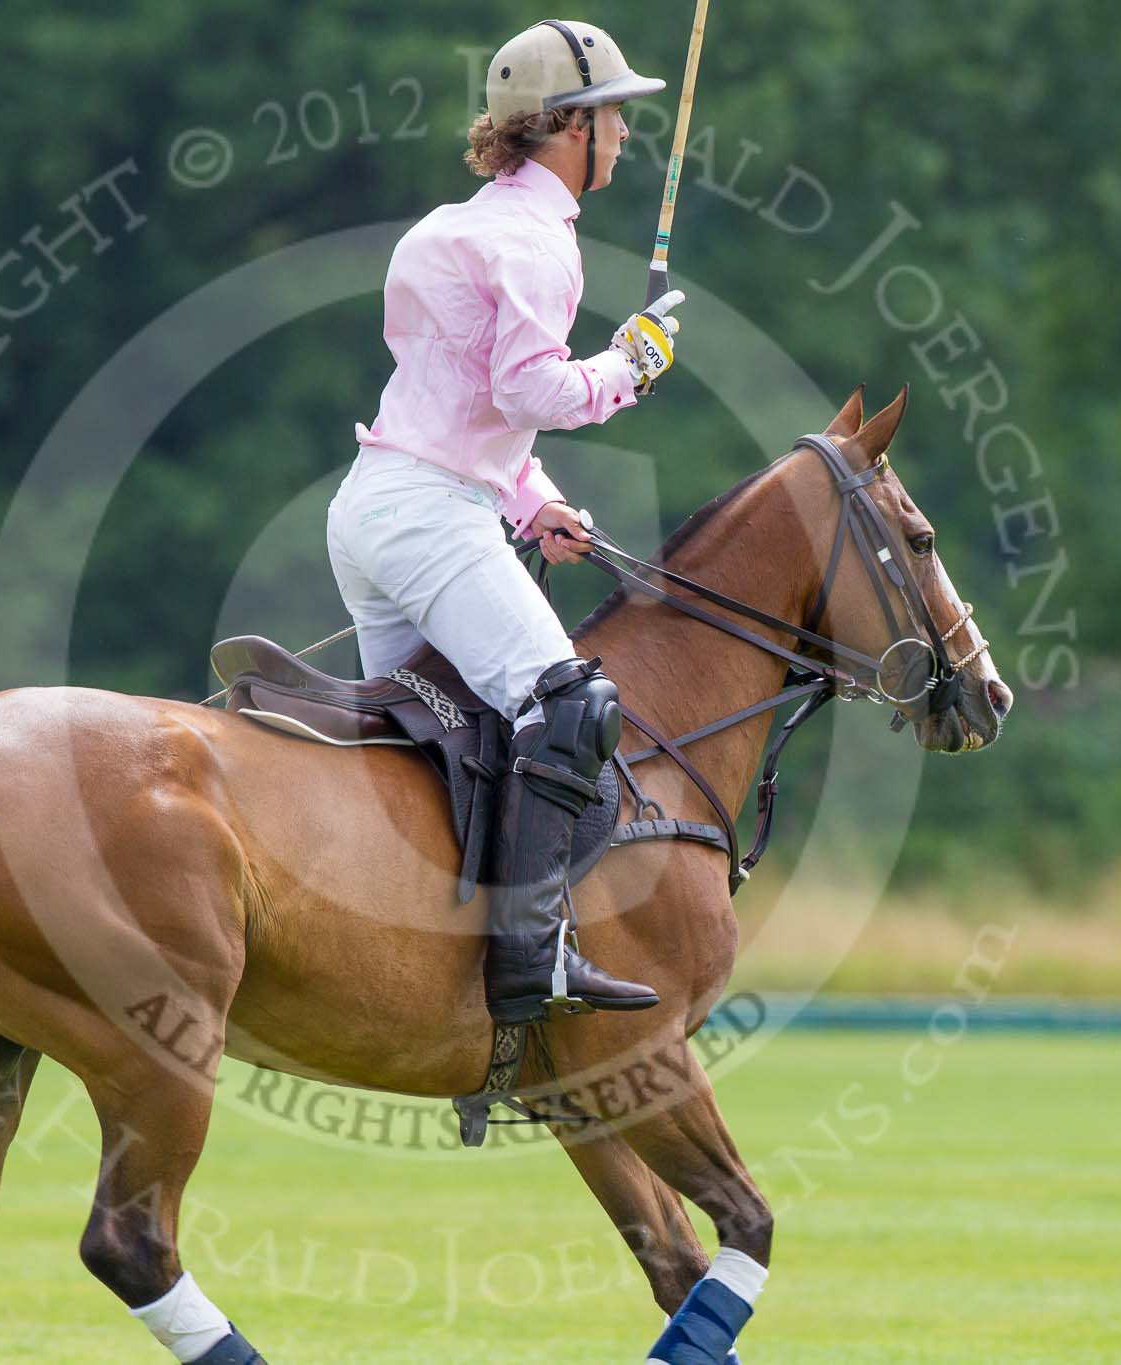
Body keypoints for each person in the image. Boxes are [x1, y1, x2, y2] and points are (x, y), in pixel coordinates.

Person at [326, 20, 685, 1025]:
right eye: (614, 115)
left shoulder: (458, 224)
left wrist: (533, 503)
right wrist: (632, 365)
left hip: (374, 510)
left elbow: (464, 400)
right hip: (429, 520)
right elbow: (529, 390)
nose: (623, 134)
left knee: (455, 736)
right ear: (569, 127)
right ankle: (533, 961)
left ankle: (418, 948)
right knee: (571, 710)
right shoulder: (534, 241)